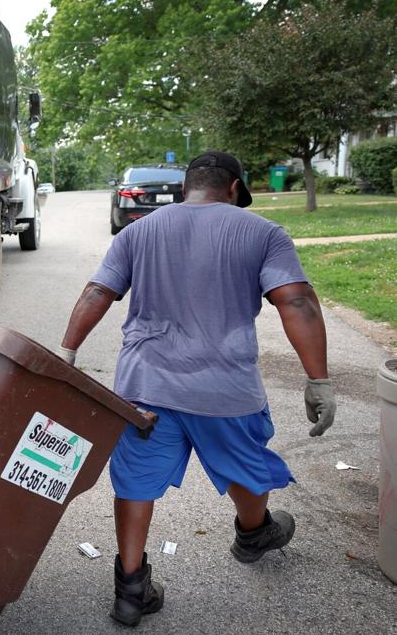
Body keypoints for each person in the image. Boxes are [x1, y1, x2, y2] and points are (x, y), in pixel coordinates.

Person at [54, 151, 336, 627]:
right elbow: (296, 299)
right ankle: (253, 534)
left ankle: (130, 589)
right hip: (225, 389)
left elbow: (96, 292)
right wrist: (319, 379)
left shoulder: (138, 230)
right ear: (233, 189)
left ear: (186, 189)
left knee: (136, 482)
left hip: (145, 388)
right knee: (245, 462)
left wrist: (66, 354)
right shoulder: (264, 233)